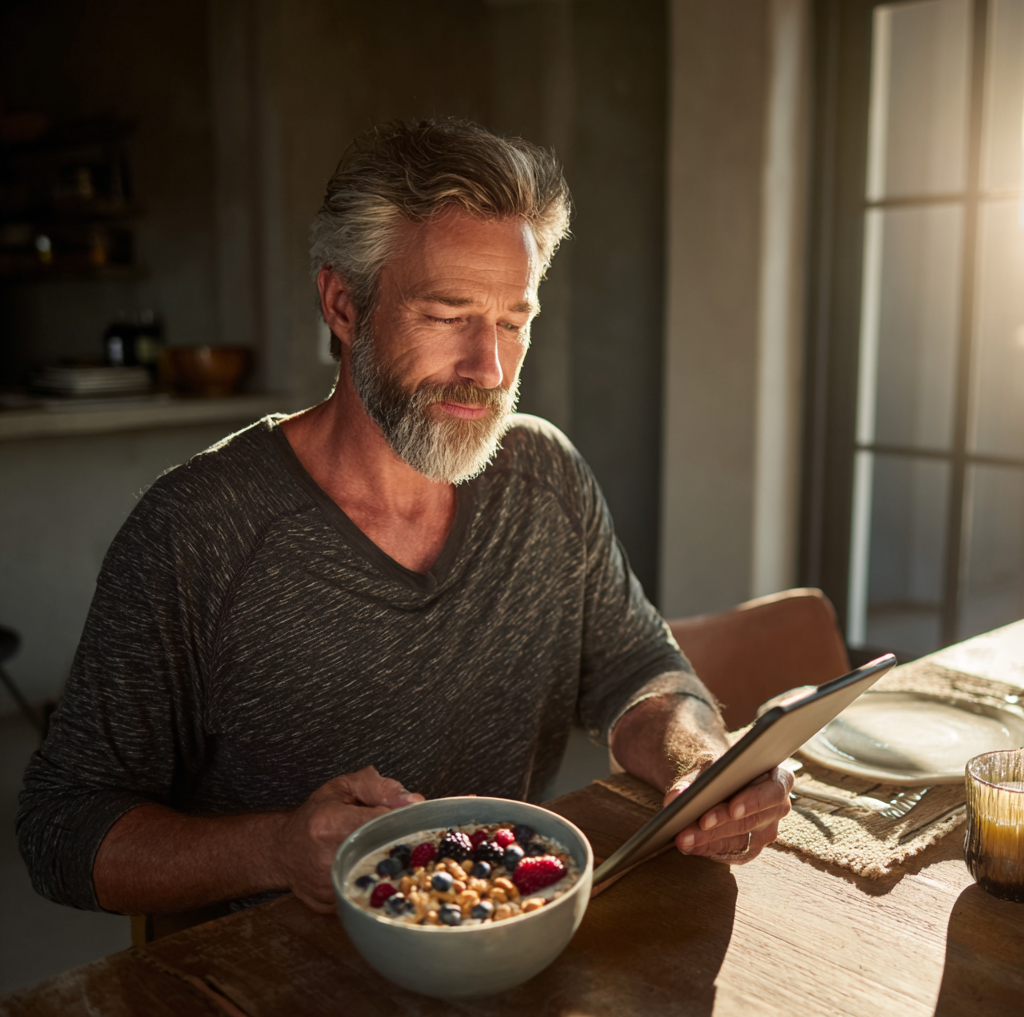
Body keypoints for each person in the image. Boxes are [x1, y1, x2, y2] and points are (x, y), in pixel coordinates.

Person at [18, 118, 792, 918]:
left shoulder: (546, 478)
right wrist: (277, 848)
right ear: (343, 304)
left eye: (513, 322)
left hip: (501, 953)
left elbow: (641, 672)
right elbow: (60, 827)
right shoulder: (195, 532)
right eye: (449, 315)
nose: (488, 369)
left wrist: (697, 759)